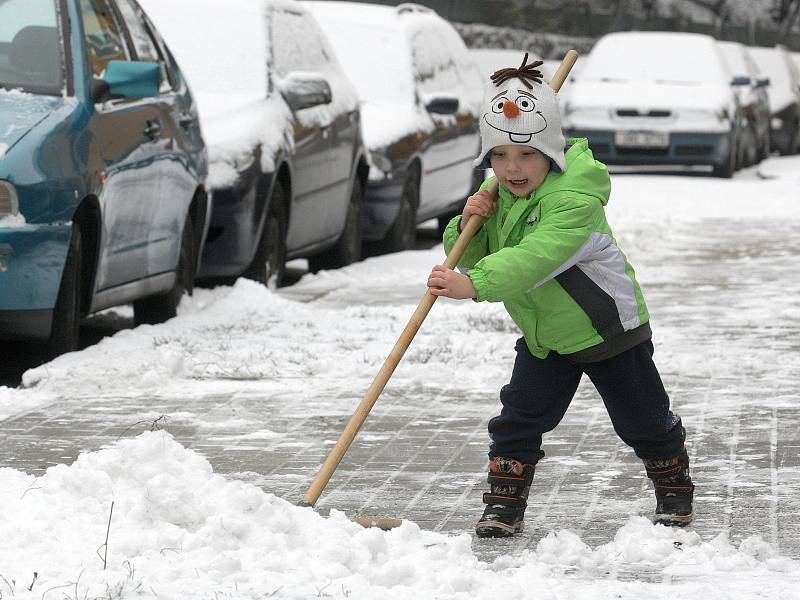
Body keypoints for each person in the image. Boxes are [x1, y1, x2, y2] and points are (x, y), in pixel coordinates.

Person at [427, 54, 694, 538]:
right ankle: (503, 505)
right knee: (518, 417)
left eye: (526, 155)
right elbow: (471, 253)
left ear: (551, 153)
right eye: (500, 156)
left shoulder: (574, 202)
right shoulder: (504, 192)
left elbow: (534, 258)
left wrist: (476, 286)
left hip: (609, 332)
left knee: (643, 422)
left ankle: (673, 486)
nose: (512, 168)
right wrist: (468, 222)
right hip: (545, 336)